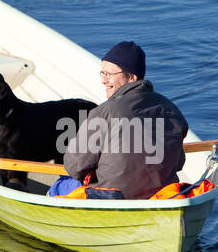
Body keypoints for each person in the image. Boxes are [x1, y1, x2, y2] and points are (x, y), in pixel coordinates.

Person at [52, 41, 188, 200]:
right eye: (102, 73)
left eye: (110, 75)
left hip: (112, 197)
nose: (104, 80)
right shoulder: (172, 110)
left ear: (132, 77)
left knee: (60, 185)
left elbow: (74, 166)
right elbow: (178, 163)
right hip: (158, 197)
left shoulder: (104, 112)